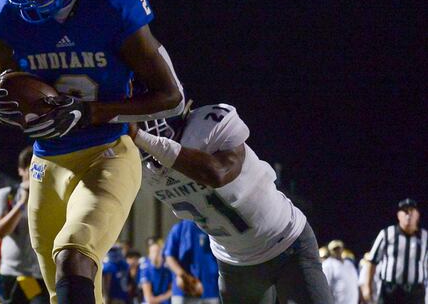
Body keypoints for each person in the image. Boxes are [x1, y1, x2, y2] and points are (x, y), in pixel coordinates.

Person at [0, 0, 185, 303]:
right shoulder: (4, 15)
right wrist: (0, 101)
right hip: (46, 164)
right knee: (65, 290)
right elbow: (7, 85)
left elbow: (171, 97)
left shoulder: (111, 2)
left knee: (74, 255)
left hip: (106, 153)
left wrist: (93, 112)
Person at [129, 102, 332, 303]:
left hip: (286, 242)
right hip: (234, 262)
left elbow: (218, 173)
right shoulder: (140, 167)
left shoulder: (208, 125)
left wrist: (147, 141)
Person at [0, 146, 47, 304]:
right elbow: (0, 231)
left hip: (41, 274)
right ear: (21, 170)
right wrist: (22, 202)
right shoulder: (6, 195)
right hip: (13, 274)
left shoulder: (48, 197)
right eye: (31, 168)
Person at [361, 198, 427, 304]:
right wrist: (367, 287)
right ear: (398, 215)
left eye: (412, 211)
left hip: (415, 292)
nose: (408, 215)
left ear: (417, 215)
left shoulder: (426, 237)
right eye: (405, 211)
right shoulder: (387, 234)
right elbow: (372, 262)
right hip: (391, 291)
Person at [164, 221, 219, 304]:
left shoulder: (212, 228)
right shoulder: (179, 228)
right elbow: (169, 257)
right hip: (184, 291)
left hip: (210, 290)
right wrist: (185, 278)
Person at [322, 240, 359, 304]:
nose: (337, 251)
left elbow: (356, 282)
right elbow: (325, 286)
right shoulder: (327, 264)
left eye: (339, 248)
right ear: (330, 251)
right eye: (334, 249)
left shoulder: (349, 263)